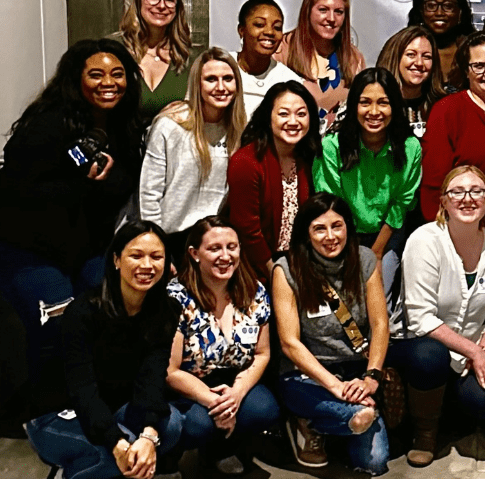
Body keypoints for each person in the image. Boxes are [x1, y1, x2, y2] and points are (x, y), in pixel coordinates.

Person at [0, 39, 145, 393]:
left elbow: (121, 187)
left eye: (117, 74)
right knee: (56, 325)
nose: (108, 82)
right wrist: (81, 186)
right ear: (76, 80)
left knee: (111, 313)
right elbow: (16, 195)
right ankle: (48, 417)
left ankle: (96, 404)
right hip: (32, 253)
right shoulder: (48, 125)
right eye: (96, 75)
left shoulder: (125, 128)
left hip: (88, 251)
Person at [24, 221, 182, 479]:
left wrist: (149, 436)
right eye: (136, 255)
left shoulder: (165, 311)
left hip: (110, 405)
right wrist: (117, 442)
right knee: (118, 452)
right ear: (117, 260)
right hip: (56, 411)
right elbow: (82, 390)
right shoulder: (84, 311)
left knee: (170, 425)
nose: (147, 265)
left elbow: (152, 379)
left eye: (156, 257)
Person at [392, 166, 485, 466]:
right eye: (457, 192)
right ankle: (425, 433)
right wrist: (474, 351)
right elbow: (421, 318)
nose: (467, 199)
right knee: (429, 356)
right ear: (443, 202)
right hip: (420, 346)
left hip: (471, 350)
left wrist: (482, 350)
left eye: (477, 192)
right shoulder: (424, 240)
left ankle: (451, 408)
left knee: (483, 403)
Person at [272, 193, 390, 474]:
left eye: (337, 226)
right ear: (306, 234)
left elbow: (380, 324)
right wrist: (334, 386)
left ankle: (331, 423)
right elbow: (290, 344)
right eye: (319, 229)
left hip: (355, 370)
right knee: (359, 418)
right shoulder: (287, 269)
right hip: (307, 374)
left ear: (348, 227)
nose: (330, 236)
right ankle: (306, 420)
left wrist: (371, 377)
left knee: (374, 462)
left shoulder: (363, 259)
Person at [165, 217, 278, 474]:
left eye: (232, 247)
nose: (225, 256)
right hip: (188, 384)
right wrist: (216, 403)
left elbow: (262, 354)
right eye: (214, 248)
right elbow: (170, 370)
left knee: (265, 408)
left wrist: (236, 394)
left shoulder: (255, 292)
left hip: (234, 378)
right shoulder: (176, 297)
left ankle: (222, 449)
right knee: (198, 424)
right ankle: (175, 455)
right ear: (194, 254)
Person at [314, 67, 422, 317]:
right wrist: (352, 254)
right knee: (344, 307)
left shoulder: (410, 147)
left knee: (377, 306)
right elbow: (330, 204)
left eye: (383, 103)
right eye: (365, 103)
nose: (374, 112)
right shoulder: (332, 146)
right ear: (353, 106)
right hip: (340, 235)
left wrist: (376, 252)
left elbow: (402, 202)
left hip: (387, 234)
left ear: (395, 106)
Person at [140, 48, 246, 255]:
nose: (221, 87)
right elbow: (149, 194)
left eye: (228, 79)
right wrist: (157, 248)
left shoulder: (240, 130)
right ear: (197, 84)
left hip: (215, 242)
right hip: (171, 240)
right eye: (211, 79)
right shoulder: (170, 126)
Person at [420, 32, 485, 233]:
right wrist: (441, 235)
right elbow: (433, 186)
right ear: (466, 71)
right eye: (479, 66)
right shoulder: (448, 111)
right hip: (457, 234)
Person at [227, 81, 321, 281]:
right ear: (268, 117)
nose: (293, 121)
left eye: (301, 114)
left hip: (299, 263)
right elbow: (248, 230)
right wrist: (275, 275)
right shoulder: (246, 161)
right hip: (254, 268)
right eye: (284, 114)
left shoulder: (309, 157)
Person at [274, 0, 367, 133]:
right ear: (308, 11)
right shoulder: (282, 49)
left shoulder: (354, 58)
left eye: (339, 12)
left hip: (335, 149)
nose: (331, 18)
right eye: (323, 10)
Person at [116, 0, 197, 118]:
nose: (161, 5)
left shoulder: (191, 56)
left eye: (170, 0)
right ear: (138, 0)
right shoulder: (113, 49)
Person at [234, 0, 302, 119]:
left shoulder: (289, 81)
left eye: (277, 27)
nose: (269, 32)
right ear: (242, 30)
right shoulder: (219, 69)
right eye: (259, 25)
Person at [375, 25, 448, 138]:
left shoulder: (445, 107)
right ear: (395, 58)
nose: (419, 63)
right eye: (411, 55)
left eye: (426, 57)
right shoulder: (369, 102)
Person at [406, 0, 475, 82]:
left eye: (448, 6)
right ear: (421, 11)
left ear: (460, 12)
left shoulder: (474, 51)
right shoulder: (402, 49)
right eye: (431, 5)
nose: (439, 13)